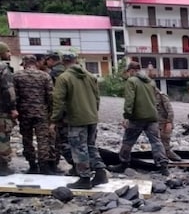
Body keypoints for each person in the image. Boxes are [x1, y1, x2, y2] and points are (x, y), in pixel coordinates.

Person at [50, 53, 108, 189]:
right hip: (92, 117)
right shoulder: (91, 76)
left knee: (79, 148)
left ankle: (84, 178)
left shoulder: (63, 78)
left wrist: (54, 120)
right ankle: (100, 173)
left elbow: (58, 101)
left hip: (77, 119)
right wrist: (93, 112)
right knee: (91, 146)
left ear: (63, 62)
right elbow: (97, 98)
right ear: (76, 61)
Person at [109, 61, 169, 175]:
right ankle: (163, 166)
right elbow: (156, 100)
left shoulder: (131, 81)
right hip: (152, 117)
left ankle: (123, 164)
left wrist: (127, 116)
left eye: (128, 71)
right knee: (156, 142)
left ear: (131, 70)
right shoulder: (151, 82)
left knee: (128, 141)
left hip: (137, 117)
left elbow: (129, 101)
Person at [13, 55, 55, 174]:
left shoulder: (17, 76)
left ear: (25, 63)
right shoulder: (44, 75)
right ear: (36, 63)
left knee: (27, 139)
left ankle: (32, 165)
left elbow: (14, 96)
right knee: (43, 140)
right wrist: (51, 113)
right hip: (41, 113)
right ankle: (44, 166)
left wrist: (14, 110)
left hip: (24, 113)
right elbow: (51, 96)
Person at [0, 42, 16, 176]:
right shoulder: (3, 67)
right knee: (3, 137)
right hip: (2, 110)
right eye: (7, 51)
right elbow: (8, 90)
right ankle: (3, 166)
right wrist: (13, 108)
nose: (9, 54)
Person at [155, 87, 181, 162]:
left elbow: (170, 111)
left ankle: (167, 156)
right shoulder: (149, 96)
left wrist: (169, 122)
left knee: (165, 141)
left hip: (164, 123)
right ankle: (162, 157)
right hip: (156, 123)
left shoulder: (161, 96)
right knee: (159, 142)